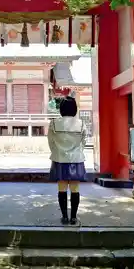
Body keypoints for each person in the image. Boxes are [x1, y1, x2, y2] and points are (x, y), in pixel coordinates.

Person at [48, 96, 87, 225]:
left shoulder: (53, 123)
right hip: (76, 159)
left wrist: (57, 152)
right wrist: (76, 151)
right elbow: (84, 142)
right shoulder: (81, 123)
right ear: (75, 109)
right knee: (75, 189)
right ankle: (74, 217)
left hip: (59, 158)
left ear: (61, 109)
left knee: (62, 188)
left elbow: (51, 142)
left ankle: (64, 217)